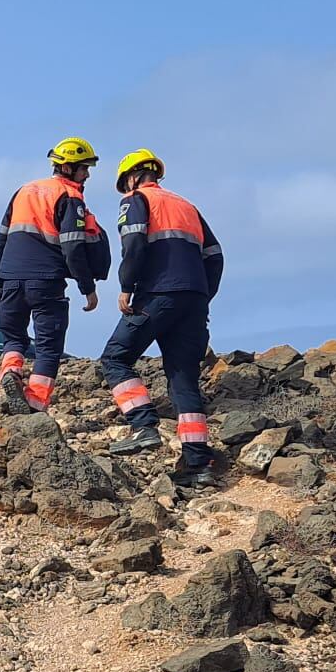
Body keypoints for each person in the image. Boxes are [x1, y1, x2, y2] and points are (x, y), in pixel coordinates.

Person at [99, 148, 225, 488]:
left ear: (132, 177)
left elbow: (135, 244)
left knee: (115, 357)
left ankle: (143, 426)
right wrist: (200, 294)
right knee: (183, 377)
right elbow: (215, 256)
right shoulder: (187, 206)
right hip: (194, 301)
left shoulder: (135, 200)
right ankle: (198, 466)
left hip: (157, 294)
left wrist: (126, 287)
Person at [0, 137, 111, 413]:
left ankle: (11, 373)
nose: (88, 174)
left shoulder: (23, 191)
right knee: (48, 346)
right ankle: (35, 407)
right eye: (84, 168)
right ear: (68, 168)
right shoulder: (70, 198)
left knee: (13, 338)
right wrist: (87, 287)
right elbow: (72, 247)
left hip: (10, 278)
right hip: (45, 281)